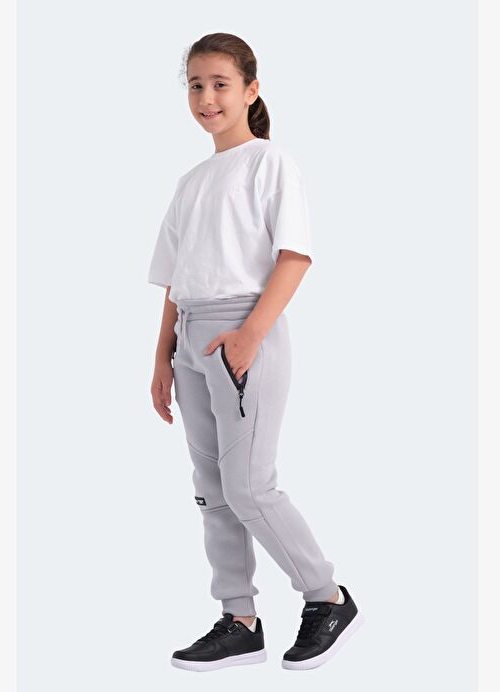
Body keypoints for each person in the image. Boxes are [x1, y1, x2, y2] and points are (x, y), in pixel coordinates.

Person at [148, 32, 364, 672]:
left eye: (220, 84)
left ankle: (327, 596)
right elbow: (175, 280)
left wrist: (250, 335)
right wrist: (161, 357)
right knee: (213, 489)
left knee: (249, 485)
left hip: (242, 330)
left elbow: (294, 256)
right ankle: (239, 619)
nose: (206, 97)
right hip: (191, 339)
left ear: (251, 90)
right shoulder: (190, 181)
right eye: (195, 85)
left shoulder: (269, 162)